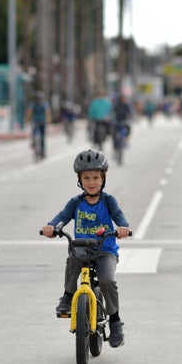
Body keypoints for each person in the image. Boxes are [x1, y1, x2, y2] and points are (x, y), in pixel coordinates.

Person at [41, 149, 131, 348]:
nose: (92, 182)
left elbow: (119, 216)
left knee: (107, 280)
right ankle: (68, 295)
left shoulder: (108, 201)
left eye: (96, 177)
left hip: (105, 250)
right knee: (72, 259)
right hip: (82, 248)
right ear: (80, 180)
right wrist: (52, 227)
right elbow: (62, 217)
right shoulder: (76, 202)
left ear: (103, 178)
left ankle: (115, 320)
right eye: (87, 178)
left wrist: (123, 227)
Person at [25, 91, 52, 158]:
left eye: (39, 98)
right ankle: (34, 142)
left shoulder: (44, 105)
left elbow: (47, 112)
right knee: (34, 134)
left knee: (42, 138)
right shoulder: (33, 104)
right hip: (35, 122)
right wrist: (27, 120)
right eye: (37, 98)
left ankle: (42, 152)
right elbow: (29, 112)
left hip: (42, 122)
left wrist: (48, 121)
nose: (38, 100)